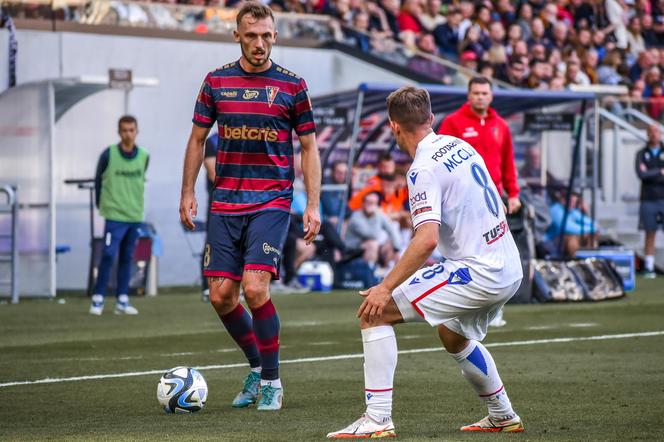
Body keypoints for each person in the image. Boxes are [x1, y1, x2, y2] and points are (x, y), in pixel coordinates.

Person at [327, 86, 524, 439]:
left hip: (478, 270)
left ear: (394, 127)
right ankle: (502, 414)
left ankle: (377, 419)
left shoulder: (422, 170)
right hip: (508, 263)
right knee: (452, 333)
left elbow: (426, 239)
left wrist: (384, 287)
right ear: (431, 118)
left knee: (376, 311)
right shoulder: (461, 145)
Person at [179, 2, 321, 411]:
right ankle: (258, 367)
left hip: (272, 202)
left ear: (275, 36)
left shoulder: (293, 86)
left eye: (265, 35)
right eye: (251, 35)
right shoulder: (215, 82)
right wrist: (188, 191)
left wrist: (312, 204)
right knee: (222, 296)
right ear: (237, 36)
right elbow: (196, 139)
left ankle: (273, 383)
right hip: (225, 203)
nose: (259, 43)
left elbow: (309, 148)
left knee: (255, 288)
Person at [438, 76, 521, 327]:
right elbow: (439, 160)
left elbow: (508, 162)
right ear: (469, 95)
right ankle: (454, 304)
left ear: (491, 96)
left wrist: (513, 193)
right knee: (460, 252)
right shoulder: (453, 122)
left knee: (495, 251)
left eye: (484, 93)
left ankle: (492, 310)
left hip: (492, 200)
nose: (480, 97)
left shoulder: (501, 126)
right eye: (476, 93)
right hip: (461, 202)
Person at [89, 115, 148, 316]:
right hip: (114, 216)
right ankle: (98, 299)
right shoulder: (108, 154)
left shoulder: (144, 156)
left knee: (127, 257)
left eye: (131, 130)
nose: (128, 134)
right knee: (107, 255)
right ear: (119, 132)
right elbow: (98, 180)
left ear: (137, 131)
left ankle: (122, 300)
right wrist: (101, 204)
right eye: (124, 130)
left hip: (134, 216)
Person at [345, 191, 402, 273]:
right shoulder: (356, 216)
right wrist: (376, 214)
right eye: (367, 202)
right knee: (372, 244)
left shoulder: (379, 215)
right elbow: (371, 234)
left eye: (372, 203)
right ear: (363, 203)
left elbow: (392, 231)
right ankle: (369, 273)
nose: (369, 205)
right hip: (353, 248)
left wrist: (397, 249)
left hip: (372, 248)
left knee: (390, 244)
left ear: (377, 205)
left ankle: (384, 273)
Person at [635, 124, 664, 278]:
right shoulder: (641, 153)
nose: (654, 135)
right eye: (651, 132)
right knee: (650, 232)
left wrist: (650, 173)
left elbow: (647, 174)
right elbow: (641, 175)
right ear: (647, 134)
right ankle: (649, 266)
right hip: (648, 198)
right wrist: (660, 172)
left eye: (656, 131)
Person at [201, 131, 219, 303]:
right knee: (212, 243)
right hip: (218, 202)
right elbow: (213, 173)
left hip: (240, 201)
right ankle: (206, 286)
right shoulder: (213, 141)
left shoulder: (243, 136)